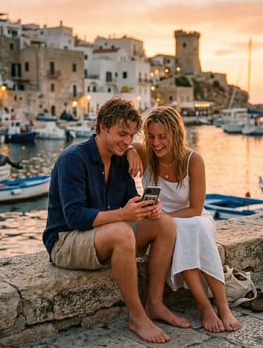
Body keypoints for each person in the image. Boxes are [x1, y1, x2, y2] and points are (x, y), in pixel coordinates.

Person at [43, 97, 190, 344]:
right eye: (122, 134)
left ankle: (154, 304)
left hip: (103, 234)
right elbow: (75, 216)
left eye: (131, 136)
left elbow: (131, 198)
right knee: (121, 231)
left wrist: (148, 210)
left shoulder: (122, 158)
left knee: (164, 223)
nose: (127, 141)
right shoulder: (73, 159)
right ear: (103, 127)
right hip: (66, 240)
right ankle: (137, 317)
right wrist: (123, 215)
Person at [127, 106, 240, 333]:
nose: (156, 142)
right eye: (151, 136)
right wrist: (131, 150)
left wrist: (164, 218)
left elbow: (196, 209)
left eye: (162, 137)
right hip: (164, 226)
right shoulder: (146, 153)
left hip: (193, 217)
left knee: (190, 228)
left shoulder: (193, 160)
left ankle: (222, 307)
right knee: (182, 231)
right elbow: (122, 144)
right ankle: (206, 307)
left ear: (175, 135)